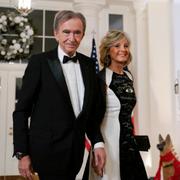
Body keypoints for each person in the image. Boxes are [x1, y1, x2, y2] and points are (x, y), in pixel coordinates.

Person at [13, 10, 106, 180]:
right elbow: (21, 111)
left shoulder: (88, 65)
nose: (72, 38)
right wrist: (22, 153)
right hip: (46, 152)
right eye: (66, 32)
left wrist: (98, 143)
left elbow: (90, 114)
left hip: (77, 153)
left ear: (83, 35)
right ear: (55, 34)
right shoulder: (39, 63)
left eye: (77, 32)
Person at [89, 30, 148, 180]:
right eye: (117, 45)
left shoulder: (129, 77)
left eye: (126, 45)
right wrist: (98, 147)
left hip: (130, 143)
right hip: (110, 144)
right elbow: (92, 119)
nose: (123, 49)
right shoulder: (100, 79)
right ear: (108, 51)